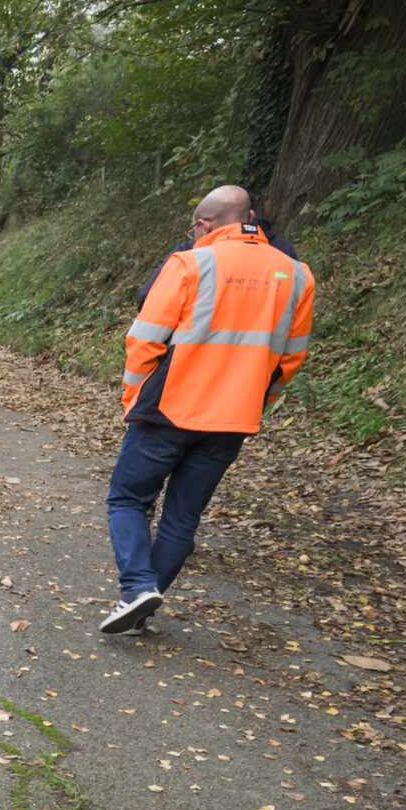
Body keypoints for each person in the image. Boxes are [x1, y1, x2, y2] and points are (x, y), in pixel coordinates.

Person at [99, 183, 313, 635]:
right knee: (182, 515)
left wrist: (133, 399)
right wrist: (259, 403)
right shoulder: (296, 274)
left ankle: (138, 587)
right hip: (234, 419)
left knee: (128, 499)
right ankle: (141, 608)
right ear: (251, 215)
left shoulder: (190, 262)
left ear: (204, 223)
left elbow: (145, 339)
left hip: (170, 408)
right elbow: (290, 359)